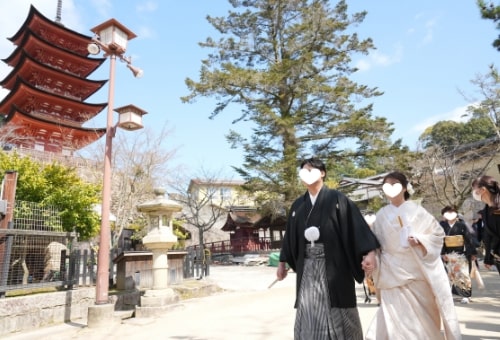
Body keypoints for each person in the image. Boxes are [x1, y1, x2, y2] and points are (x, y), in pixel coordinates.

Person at [276, 157, 380, 340]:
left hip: (335, 267)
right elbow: (290, 237)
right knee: (308, 309)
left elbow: (357, 228)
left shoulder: (339, 200)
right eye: (304, 171)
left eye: (312, 170)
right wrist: (282, 262)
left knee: (339, 307)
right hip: (307, 268)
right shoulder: (297, 206)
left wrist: (370, 252)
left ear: (322, 173)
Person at [364, 171, 461, 340]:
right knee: (393, 318)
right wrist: (371, 257)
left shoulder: (418, 211)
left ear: (404, 188)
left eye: (395, 184)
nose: (391, 189)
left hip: (417, 270)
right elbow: (375, 243)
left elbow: (438, 235)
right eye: (387, 185)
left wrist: (420, 239)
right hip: (391, 270)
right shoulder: (381, 215)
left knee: (421, 320)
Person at [439, 206, 477, 304]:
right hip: (448, 253)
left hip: (461, 253)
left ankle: (466, 295)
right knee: (450, 274)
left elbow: (469, 239)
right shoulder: (442, 225)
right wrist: (442, 252)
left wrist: (472, 252)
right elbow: (440, 240)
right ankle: (448, 294)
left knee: (463, 274)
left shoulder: (462, 225)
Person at [471, 175, 500, 274]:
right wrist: (488, 258)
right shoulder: (485, 211)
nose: (474, 194)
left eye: (475, 190)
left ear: (483, 189)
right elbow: (488, 237)